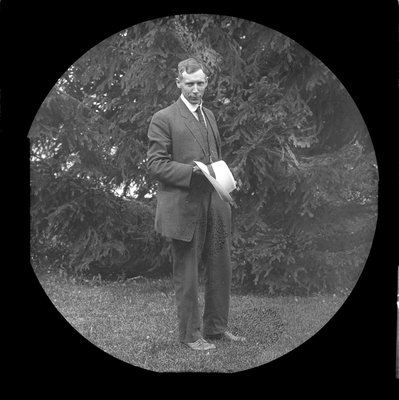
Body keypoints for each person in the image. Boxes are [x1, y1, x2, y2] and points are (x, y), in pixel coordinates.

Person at [147, 58, 245, 351]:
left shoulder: (210, 116)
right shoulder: (163, 118)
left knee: (220, 267)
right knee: (187, 273)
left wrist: (225, 177)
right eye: (189, 83)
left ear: (206, 84)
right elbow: (155, 165)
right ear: (178, 82)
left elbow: (214, 157)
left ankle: (216, 328)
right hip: (184, 206)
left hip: (215, 203)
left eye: (200, 83)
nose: (195, 89)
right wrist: (192, 171)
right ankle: (191, 335)